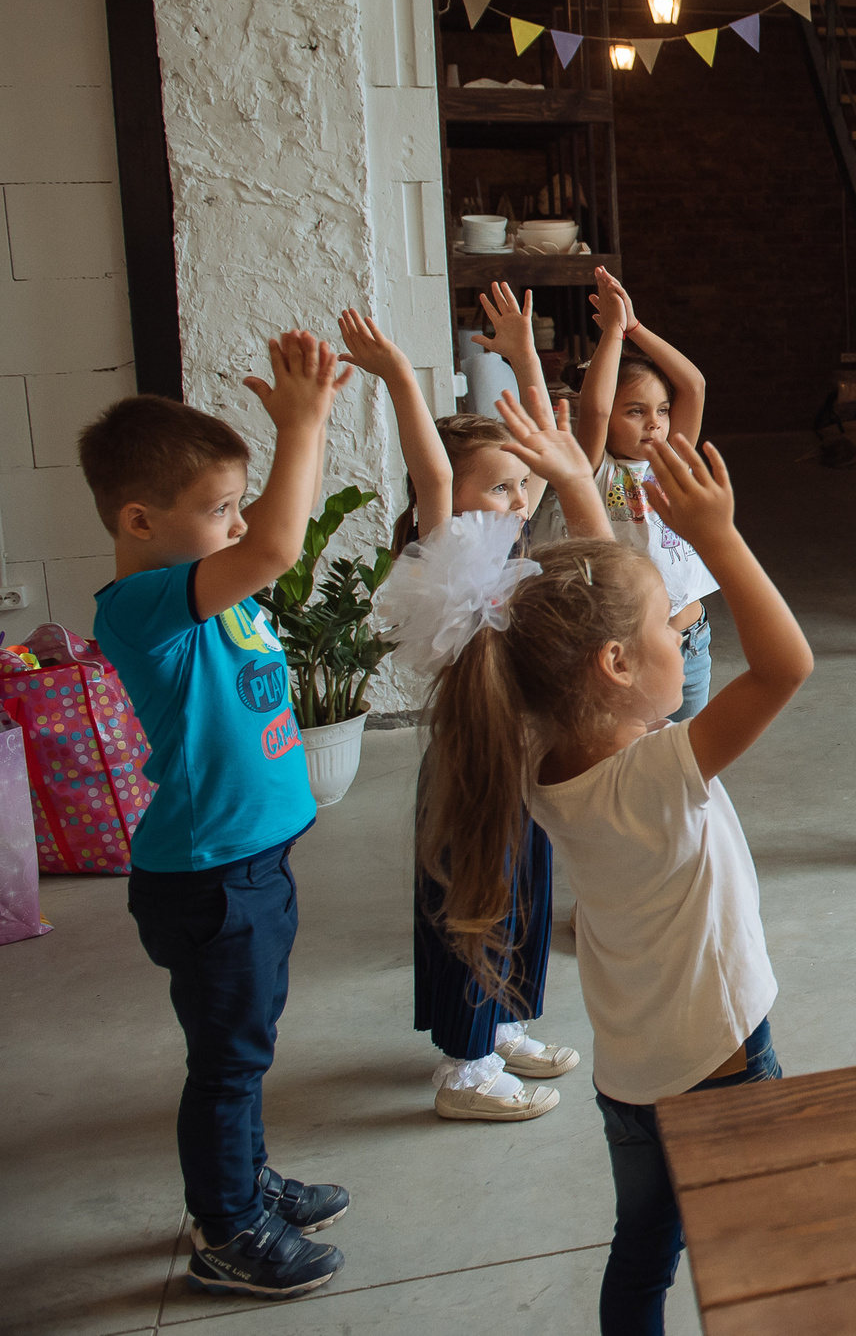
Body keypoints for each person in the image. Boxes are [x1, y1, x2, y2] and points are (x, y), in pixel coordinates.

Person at [383, 429, 813, 1336]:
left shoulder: (544, 759)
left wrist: (583, 487)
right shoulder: (658, 776)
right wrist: (721, 536)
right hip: (723, 1062)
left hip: (630, 1079)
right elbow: (786, 666)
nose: (682, 632)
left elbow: (600, 608)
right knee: (772, 1246)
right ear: (616, 665)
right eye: (670, 625)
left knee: (642, 1251)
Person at [80, 337, 355, 1301]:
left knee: (249, 1043)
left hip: (252, 864)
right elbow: (277, 542)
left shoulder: (208, 589)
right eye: (218, 508)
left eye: (238, 503)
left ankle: (245, 1180)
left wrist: (288, 446)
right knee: (228, 1057)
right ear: (141, 519)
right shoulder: (144, 606)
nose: (239, 525)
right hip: (208, 876)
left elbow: (274, 536)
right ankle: (228, 1226)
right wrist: (301, 423)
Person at [340, 309, 602, 1121]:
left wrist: (527, 356)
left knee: (523, 893)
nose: (520, 497)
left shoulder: (519, 555)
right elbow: (428, 464)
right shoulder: (449, 551)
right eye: (499, 485)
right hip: (474, 763)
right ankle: (465, 1063)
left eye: (521, 484)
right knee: (474, 901)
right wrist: (393, 376)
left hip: (521, 761)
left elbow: (560, 457)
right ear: (447, 501)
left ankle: (503, 1019)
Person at [556, 266, 719, 721]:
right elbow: (595, 406)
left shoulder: (673, 460)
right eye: (635, 411)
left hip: (693, 640)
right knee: (638, 768)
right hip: (631, 650)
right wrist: (611, 335)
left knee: (689, 767)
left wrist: (636, 329)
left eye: (662, 411)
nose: (654, 422)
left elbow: (694, 384)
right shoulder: (594, 469)